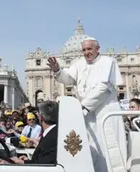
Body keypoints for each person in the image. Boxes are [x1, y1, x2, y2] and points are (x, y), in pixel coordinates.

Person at [47, 37, 127, 172]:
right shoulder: (78, 63)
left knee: (108, 147)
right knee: (91, 146)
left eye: (89, 49)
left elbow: (103, 87)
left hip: (105, 111)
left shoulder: (109, 62)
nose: (86, 52)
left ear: (97, 49)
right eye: (83, 50)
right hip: (87, 114)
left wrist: (82, 107)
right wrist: (57, 71)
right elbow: (68, 79)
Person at [0, 100, 58, 164]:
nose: (31, 121)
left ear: (41, 117)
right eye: (29, 120)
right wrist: (27, 160)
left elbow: (43, 166)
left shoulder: (51, 137)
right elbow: (40, 160)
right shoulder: (52, 133)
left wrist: (19, 162)